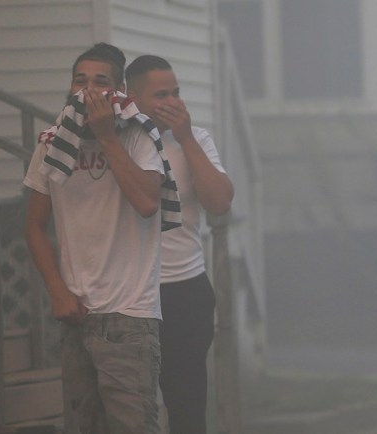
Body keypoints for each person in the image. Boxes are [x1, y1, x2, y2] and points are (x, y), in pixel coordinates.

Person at [24, 43, 167, 433]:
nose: (88, 90)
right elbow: (34, 224)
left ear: (120, 92)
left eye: (100, 82)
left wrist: (107, 137)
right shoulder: (53, 144)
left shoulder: (139, 137)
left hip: (129, 317)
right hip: (77, 313)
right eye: (80, 81)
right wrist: (57, 289)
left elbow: (147, 202)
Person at [125, 55, 234, 434]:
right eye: (160, 95)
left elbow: (220, 202)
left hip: (184, 288)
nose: (172, 102)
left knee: (187, 408)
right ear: (131, 95)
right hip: (128, 292)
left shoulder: (196, 138)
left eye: (176, 93)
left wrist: (186, 138)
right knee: (130, 411)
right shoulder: (118, 139)